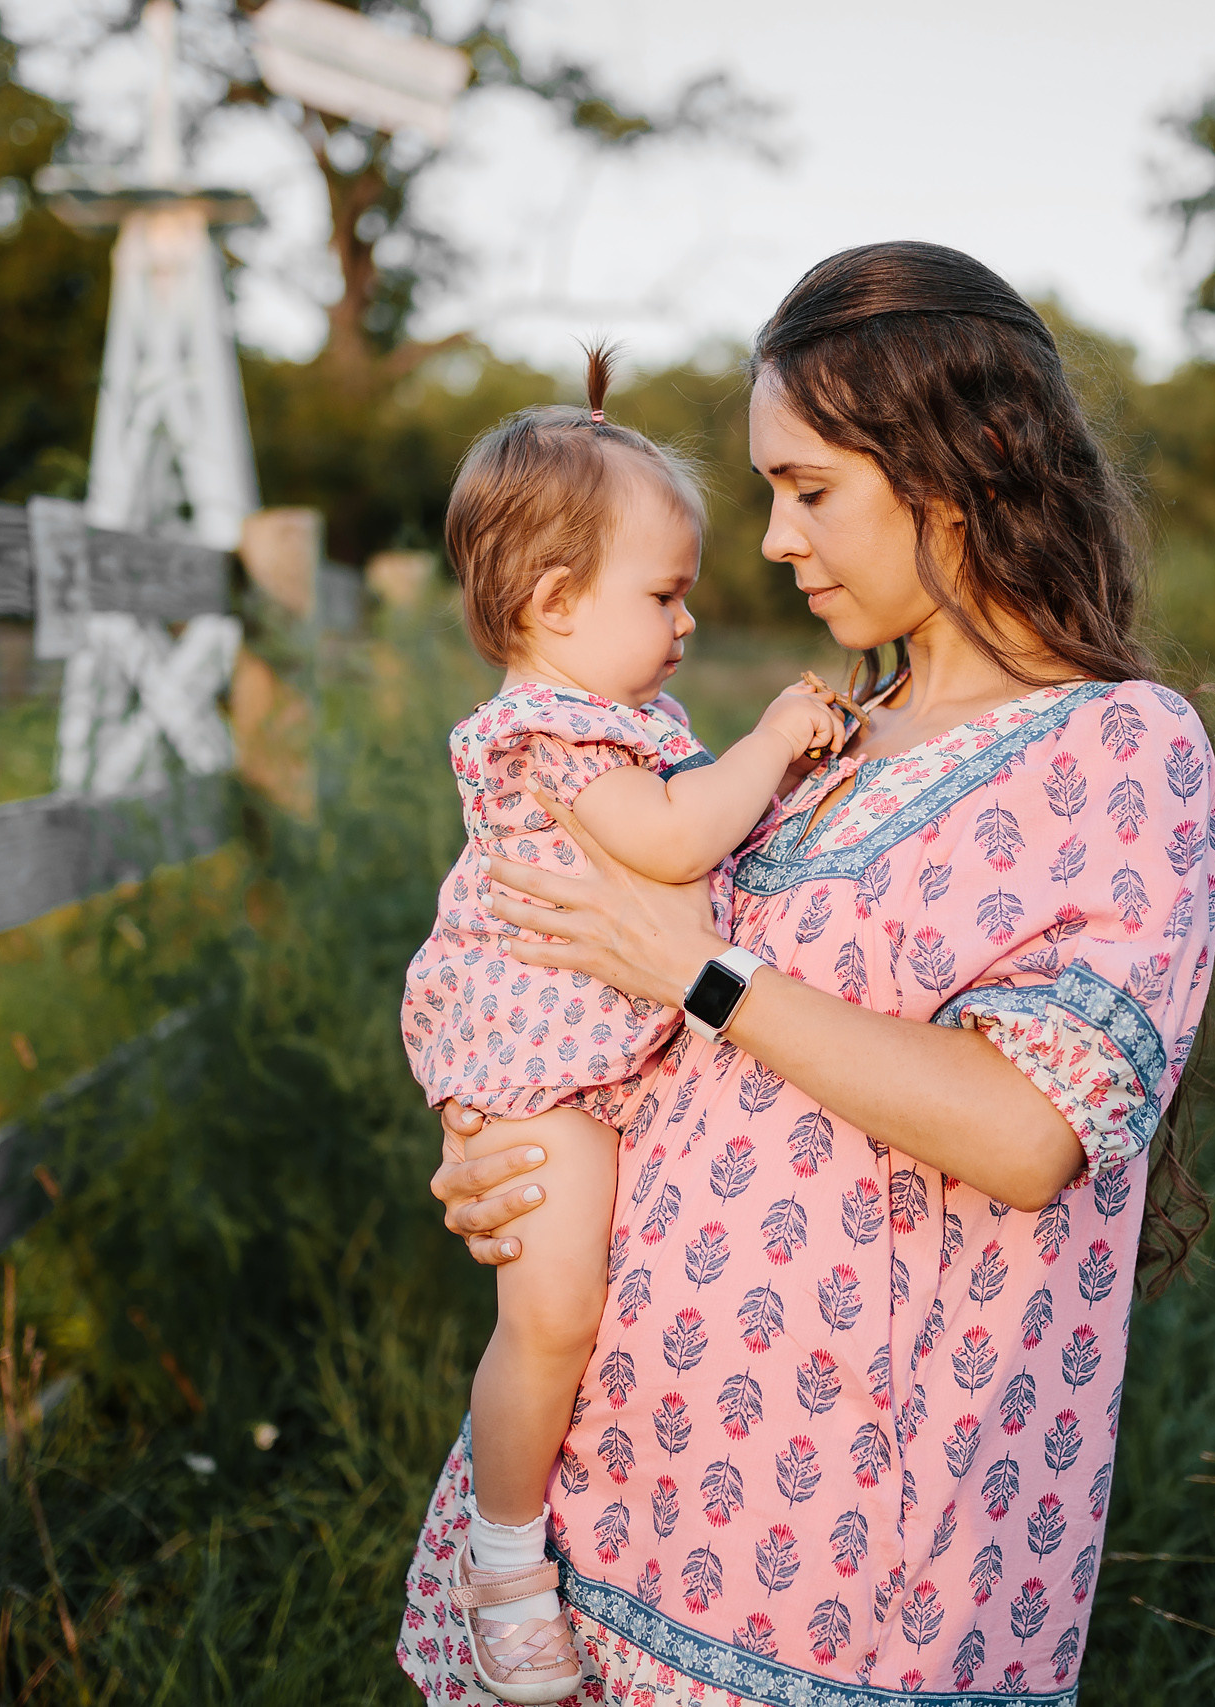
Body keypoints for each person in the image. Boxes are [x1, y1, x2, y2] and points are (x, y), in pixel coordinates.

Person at [400, 241, 1215, 1706]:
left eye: (811, 488)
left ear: (962, 463)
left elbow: (1030, 1135)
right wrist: (504, 1157)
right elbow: (642, 1042)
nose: (776, 540)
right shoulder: (837, 741)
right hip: (621, 1479)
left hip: (853, 1550)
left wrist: (700, 971)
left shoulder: (1121, 750)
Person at [401, 345, 849, 1702]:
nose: (691, 620)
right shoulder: (558, 734)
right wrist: (771, 742)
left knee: (566, 1307)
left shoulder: (616, 710)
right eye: (665, 594)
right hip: (531, 1059)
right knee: (548, 1319)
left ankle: (517, 1546)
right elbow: (666, 843)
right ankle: (504, 1559)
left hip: (575, 1049)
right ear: (553, 602)